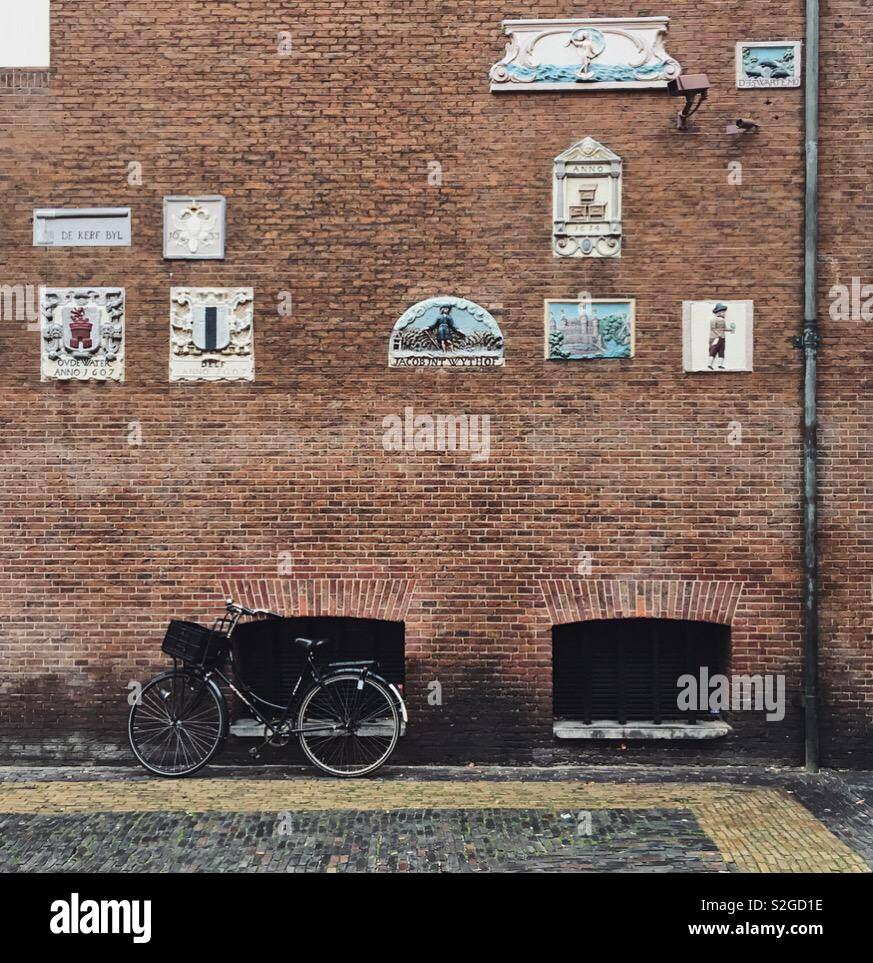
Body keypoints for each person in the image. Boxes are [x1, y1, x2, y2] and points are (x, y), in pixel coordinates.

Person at [708, 303, 735, 370]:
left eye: (724, 312)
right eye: (722, 312)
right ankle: (709, 364)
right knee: (713, 350)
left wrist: (730, 329)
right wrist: (718, 334)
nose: (724, 313)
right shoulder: (713, 320)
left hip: (722, 338)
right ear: (718, 312)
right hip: (715, 338)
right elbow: (713, 328)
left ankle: (720, 365)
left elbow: (724, 328)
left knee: (721, 351)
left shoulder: (723, 320)